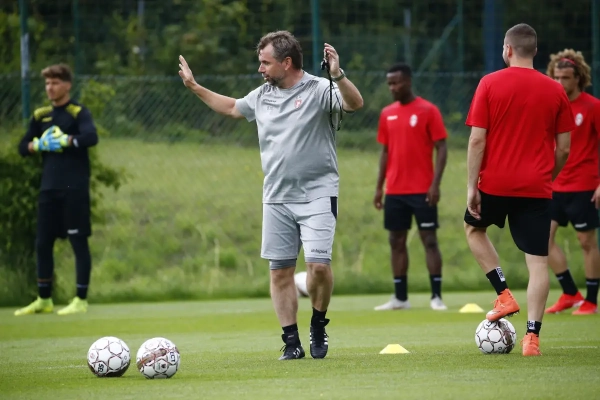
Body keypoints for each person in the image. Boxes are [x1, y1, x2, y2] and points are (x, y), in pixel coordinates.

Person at [178, 31, 363, 360]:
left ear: (286, 62)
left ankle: (318, 323)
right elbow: (231, 107)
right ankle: (291, 343)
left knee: (319, 267)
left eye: (265, 63)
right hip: (276, 197)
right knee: (280, 272)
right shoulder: (262, 95)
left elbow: (354, 103)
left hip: (319, 193)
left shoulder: (320, 89)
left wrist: (337, 75)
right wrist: (194, 87)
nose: (260, 69)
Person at [463, 23, 574, 356]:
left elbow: (477, 140)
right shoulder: (555, 90)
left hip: (494, 183)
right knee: (538, 262)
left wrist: (471, 186)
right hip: (536, 187)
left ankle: (503, 294)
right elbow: (564, 148)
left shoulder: (489, 83)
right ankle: (532, 338)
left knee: (474, 229)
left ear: (507, 49)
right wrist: (546, 175)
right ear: (535, 51)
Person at [14, 63, 99, 316]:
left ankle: (80, 299)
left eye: (55, 83)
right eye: (47, 83)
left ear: (67, 85)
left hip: (74, 188)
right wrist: (37, 145)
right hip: (48, 188)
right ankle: (44, 299)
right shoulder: (41, 116)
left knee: (78, 241)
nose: (50, 88)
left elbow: (91, 137)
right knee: (43, 243)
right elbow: (22, 147)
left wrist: (67, 140)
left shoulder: (77, 112)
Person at [373, 63, 449, 312]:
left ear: (408, 82)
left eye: (396, 83)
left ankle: (436, 297)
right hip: (395, 191)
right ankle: (400, 298)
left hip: (422, 190)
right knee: (396, 241)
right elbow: (385, 152)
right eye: (389, 84)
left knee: (429, 240)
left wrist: (435, 184)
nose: (392, 88)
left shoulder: (428, 110)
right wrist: (379, 187)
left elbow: (442, 147)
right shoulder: (387, 114)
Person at [545, 49, 600, 315]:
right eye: (556, 77)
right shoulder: (551, 106)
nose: (560, 82)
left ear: (578, 78)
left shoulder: (593, 106)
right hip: (553, 185)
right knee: (541, 239)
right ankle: (570, 293)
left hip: (584, 186)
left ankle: (591, 300)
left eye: (565, 78)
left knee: (586, 242)